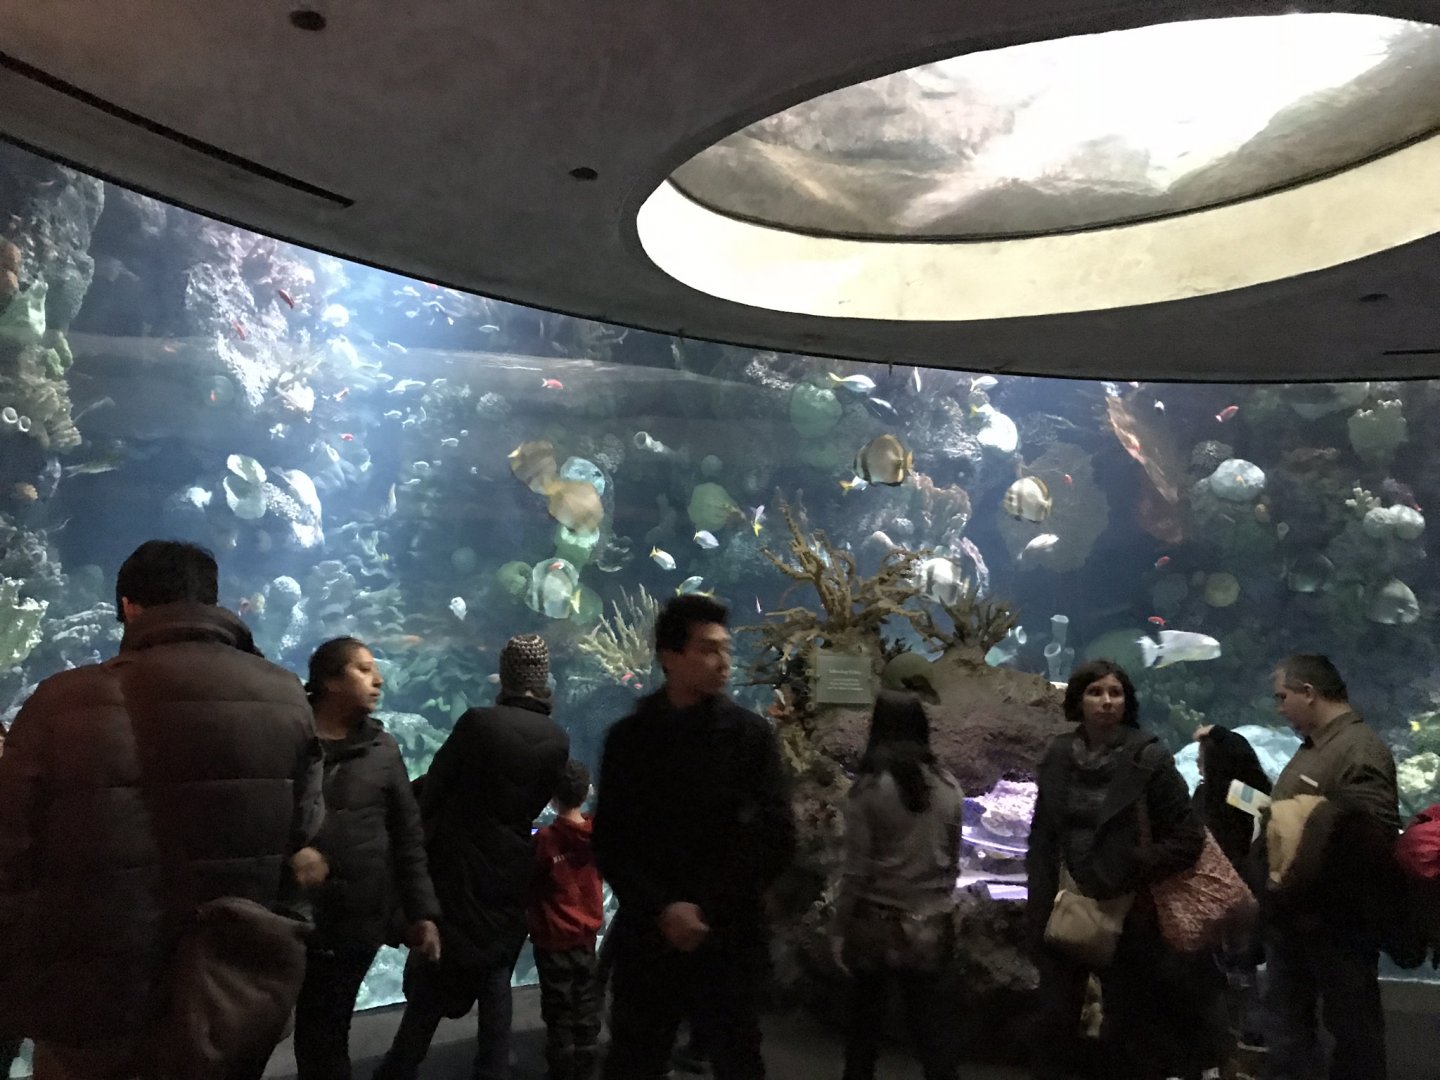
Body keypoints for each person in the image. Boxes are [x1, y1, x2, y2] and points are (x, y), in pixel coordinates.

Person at [0, 540, 324, 1080]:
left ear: (128, 606)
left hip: (91, 997)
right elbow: (306, 842)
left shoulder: (60, 702)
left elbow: (10, 853)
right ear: (214, 600)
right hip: (228, 996)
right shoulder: (287, 696)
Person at [592, 594, 796, 1080]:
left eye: (726, 649)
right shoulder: (629, 741)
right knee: (635, 1059)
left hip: (729, 937)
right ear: (669, 657)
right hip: (650, 936)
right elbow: (611, 841)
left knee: (737, 1058)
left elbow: (776, 838)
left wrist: (703, 908)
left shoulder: (751, 739)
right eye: (708, 649)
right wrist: (662, 908)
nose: (724, 661)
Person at [375, 633, 569, 1080]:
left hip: (461, 861)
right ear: (542, 679)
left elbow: (437, 785)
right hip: (513, 862)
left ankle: (399, 1068)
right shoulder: (557, 738)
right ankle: (493, 1067)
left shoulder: (479, 723)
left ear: (503, 675)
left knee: (438, 966)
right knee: (496, 968)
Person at [1026, 659, 1218, 1080]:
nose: (1106, 701)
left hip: (1131, 912)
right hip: (1064, 902)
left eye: (1115, 693)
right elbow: (1042, 835)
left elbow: (1188, 838)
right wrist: (1036, 901)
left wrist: (1133, 864)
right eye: (1095, 692)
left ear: (1127, 701)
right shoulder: (1058, 754)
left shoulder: (1149, 757)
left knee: (1128, 1025)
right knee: (1055, 1020)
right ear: (1077, 699)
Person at [293, 637, 442, 1080]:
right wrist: (291, 852)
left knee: (328, 1030)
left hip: (356, 918)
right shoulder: (291, 741)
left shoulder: (384, 749)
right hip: (290, 915)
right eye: (363, 669)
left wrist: (421, 912)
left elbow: (408, 836)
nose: (378, 679)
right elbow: (255, 811)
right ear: (329, 681)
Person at [1262, 654, 1400, 1080]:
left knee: (1352, 1031)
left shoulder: (1359, 750)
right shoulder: (1317, 747)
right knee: (1292, 1029)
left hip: (1336, 925)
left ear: (1309, 693)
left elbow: (1373, 839)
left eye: (1283, 697)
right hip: (1297, 921)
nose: (1279, 707)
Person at [830, 691, 963, 1080]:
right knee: (932, 1032)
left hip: (875, 924)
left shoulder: (869, 789)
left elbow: (856, 870)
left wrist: (839, 927)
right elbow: (953, 859)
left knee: (863, 1030)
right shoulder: (948, 786)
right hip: (931, 924)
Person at [1192, 725, 1272, 1051]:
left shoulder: (1213, 794)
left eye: (1203, 757)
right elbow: (1267, 799)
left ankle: (1226, 1046)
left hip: (1213, 894)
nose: (1198, 763)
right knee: (1242, 972)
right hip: (1243, 894)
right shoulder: (1240, 793)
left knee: (1224, 971)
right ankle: (1251, 1043)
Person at [529, 759, 605, 1080]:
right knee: (586, 1002)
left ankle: (560, 1070)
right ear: (589, 791)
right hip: (587, 939)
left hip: (552, 942)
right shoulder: (598, 834)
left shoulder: (544, 840)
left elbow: (529, 881)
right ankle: (587, 1066)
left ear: (551, 797)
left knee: (558, 1007)